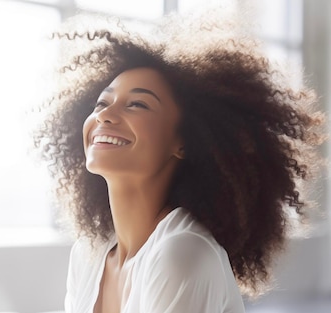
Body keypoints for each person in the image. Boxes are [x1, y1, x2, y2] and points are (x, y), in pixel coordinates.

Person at [33, 8, 325, 313]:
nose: (104, 115)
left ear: (183, 142)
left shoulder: (183, 252)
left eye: (137, 104)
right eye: (102, 103)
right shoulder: (89, 254)